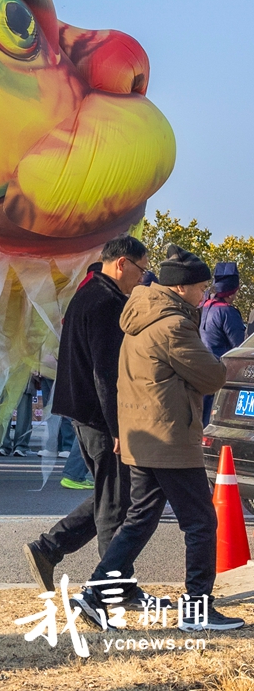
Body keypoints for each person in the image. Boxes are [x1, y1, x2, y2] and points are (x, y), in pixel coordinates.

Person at [76, 246, 242, 631]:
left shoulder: (138, 314)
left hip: (143, 434)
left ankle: (95, 594)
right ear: (181, 287)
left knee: (140, 519)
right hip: (170, 437)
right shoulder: (173, 325)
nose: (204, 294)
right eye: (200, 287)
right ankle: (197, 609)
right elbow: (212, 377)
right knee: (201, 523)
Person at [23, 236, 148, 592]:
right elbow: (106, 374)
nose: (142, 277)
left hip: (83, 411)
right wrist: (118, 427)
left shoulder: (89, 291)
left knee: (111, 495)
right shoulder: (106, 302)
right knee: (116, 503)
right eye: (141, 269)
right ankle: (115, 586)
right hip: (98, 414)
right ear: (122, 263)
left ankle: (49, 548)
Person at [199, 262, 245, 425]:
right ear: (232, 292)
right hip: (219, 375)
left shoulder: (203, 307)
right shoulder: (227, 312)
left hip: (200, 372)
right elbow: (239, 348)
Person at [0, 373, 42, 457]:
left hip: (14, 374)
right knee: (20, 414)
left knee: (8, 412)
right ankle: (18, 446)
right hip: (17, 374)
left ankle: (7, 445)